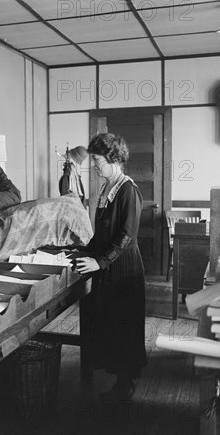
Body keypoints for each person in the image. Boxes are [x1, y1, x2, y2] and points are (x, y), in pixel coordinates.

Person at [74, 133, 147, 402]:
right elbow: (102, 233)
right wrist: (85, 250)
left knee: (124, 325)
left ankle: (125, 385)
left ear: (114, 159)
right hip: (109, 266)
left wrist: (100, 261)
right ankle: (117, 380)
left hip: (124, 267)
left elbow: (126, 236)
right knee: (111, 323)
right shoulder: (107, 188)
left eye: (97, 160)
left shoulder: (128, 189)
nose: (94, 165)